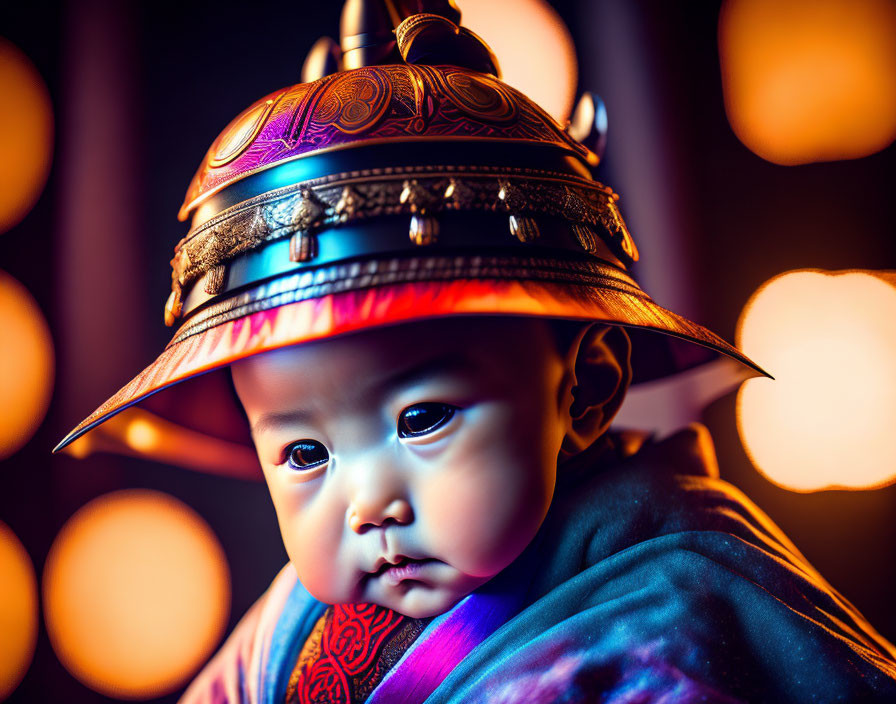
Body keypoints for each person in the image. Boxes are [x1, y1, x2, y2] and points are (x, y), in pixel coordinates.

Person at [55, 2, 896, 701]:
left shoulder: (670, 624)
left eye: (421, 419)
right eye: (306, 452)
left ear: (589, 385)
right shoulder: (297, 622)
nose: (368, 503)